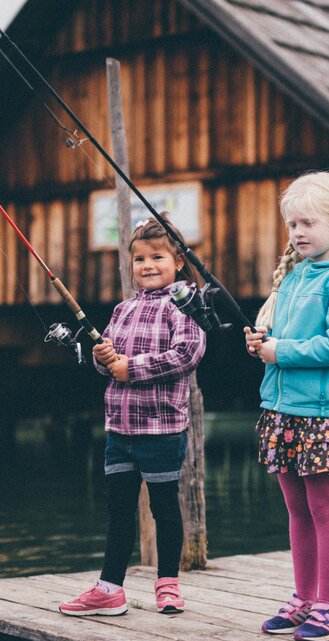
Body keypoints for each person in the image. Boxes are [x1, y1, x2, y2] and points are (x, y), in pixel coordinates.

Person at [245, 171, 329, 641]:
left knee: (324, 509)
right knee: (296, 511)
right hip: (280, 411)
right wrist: (261, 343)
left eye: (307, 223)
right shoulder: (295, 275)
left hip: (322, 416)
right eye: (292, 224)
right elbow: (282, 337)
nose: (298, 233)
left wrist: (282, 352)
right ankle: (303, 598)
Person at [59, 214, 205, 617]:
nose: (148, 266)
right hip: (119, 429)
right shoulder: (123, 309)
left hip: (161, 429)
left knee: (164, 508)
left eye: (157, 256)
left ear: (177, 261)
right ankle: (109, 589)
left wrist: (131, 368)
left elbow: (186, 355)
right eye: (139, 259)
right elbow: (108, 359)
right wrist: (102, 357)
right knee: (118, 509)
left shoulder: (184, 306)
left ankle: (168, 585)